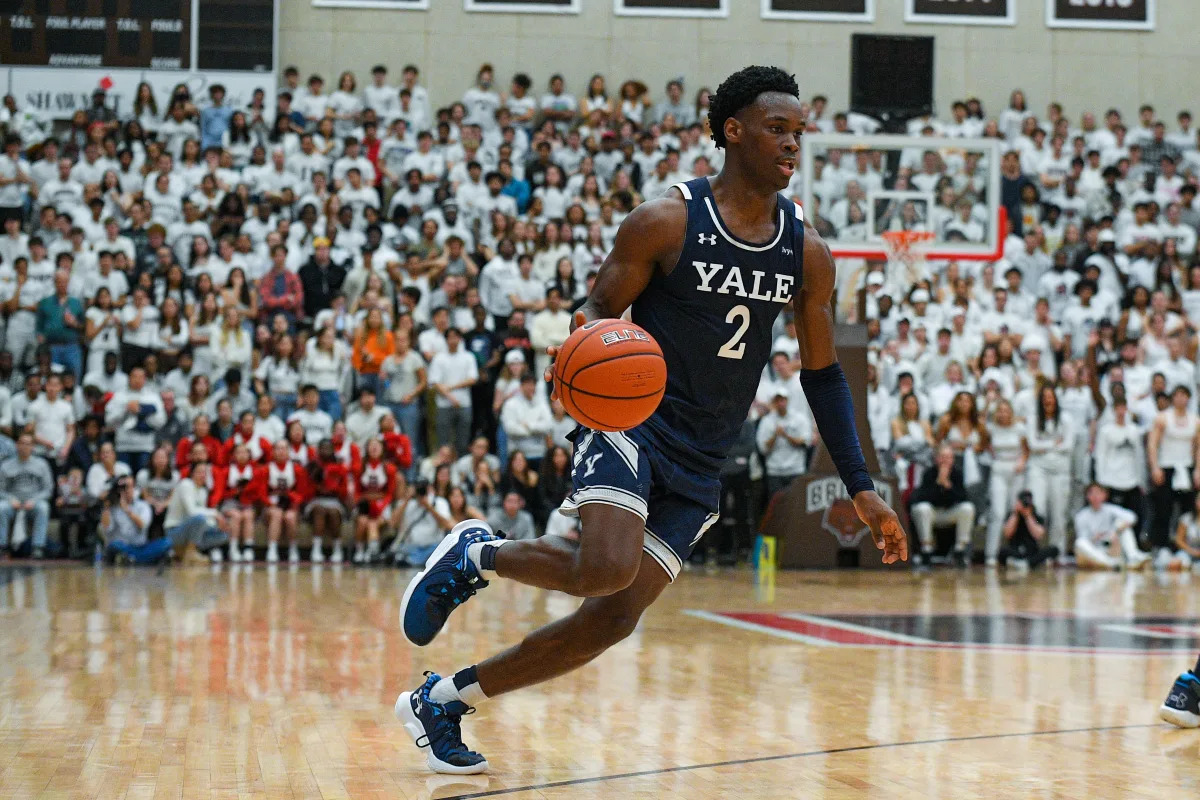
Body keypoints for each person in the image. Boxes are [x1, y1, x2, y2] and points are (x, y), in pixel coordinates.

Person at [394, 66, 904, 774]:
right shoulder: (668, 219)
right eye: (778, 129)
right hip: (631, 420)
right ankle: (476, 554)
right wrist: (581, 350)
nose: (794, 144)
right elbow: (598, 309)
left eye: (799, 133)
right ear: (733, 131)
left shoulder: (805, 251)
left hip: (705, 453)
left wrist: (860, 481)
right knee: (602, 567)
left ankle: (443, 701)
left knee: (611, 619)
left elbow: (822, 373)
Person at [909, 444, 975, 567]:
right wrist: (938, 484)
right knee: (922, 509)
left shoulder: (957, 473)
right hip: (932, 513)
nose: (945, 461)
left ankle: (960, 550)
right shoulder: (929, 473)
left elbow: (963, 498)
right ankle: (926, 550)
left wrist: (948, 487)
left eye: (949, 457)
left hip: (949, 513)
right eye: (943, 457)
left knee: (967, 508)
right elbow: (920, 498)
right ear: (936, 458)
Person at [163, 461, 229, 564]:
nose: (202, 475)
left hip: (192, 530)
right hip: (174, 531)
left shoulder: (203, 491)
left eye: (205, 473)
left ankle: (181, 553)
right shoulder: (185, 484)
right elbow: (192, 512)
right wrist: (215, 513)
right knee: (199, 519)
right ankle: (190, 553)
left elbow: (203, 517)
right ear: (192, 473)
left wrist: (217, 525)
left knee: (223, 535)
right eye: (199, 472)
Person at [0, 433, 54, 559]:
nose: (24, 447)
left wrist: (34, 500)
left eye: (28, 444)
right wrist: (10, 499)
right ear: (16, 445)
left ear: (33, 447)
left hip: (34, 502)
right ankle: (2, 546)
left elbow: (48, 490)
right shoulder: (5, 466)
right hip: (13, 502)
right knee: (1, 508)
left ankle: (37, 547)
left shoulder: (42, 464)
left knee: (43, 508)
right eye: (21, 443)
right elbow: (0, 490)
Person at [755, 386, 812, 498]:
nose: (781, 403)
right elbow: (763, 449)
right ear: (773, 402)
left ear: (787, 400)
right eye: (777, 400)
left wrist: (786, 435)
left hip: (796, 470)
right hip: (775, 471)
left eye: (783, 400)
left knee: (796, 505)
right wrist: (775, 435)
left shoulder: (799, 419)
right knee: (777, 507)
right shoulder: (767, 421)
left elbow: (806, 442)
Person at [100, 475, 168, 565]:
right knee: (114, 545)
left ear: (134, 488)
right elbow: (107, 529)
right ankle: (141, 560)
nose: (127, 490)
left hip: (141, 546)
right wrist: (106, 507)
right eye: (123, 487)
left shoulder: (143, 505)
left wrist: (127, 509)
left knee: (166, 542)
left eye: (129, 487)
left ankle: (133, 559)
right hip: (123, 546)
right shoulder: (112, 508)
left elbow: (143, 525)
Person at [306, 439, 351, 564]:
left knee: (333, 512)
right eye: (323, 448)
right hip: (315, 500)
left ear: (333, 451)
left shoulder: (340, 467)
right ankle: (316, 548)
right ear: (318, 450)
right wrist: (316, 483)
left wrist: (332, 488)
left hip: (334, 500)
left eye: (329, 448)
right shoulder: (312, 466)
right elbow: (306, 491)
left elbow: (344, 491)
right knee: (319, 510)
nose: (326, 451)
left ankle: (337, 549)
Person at [1002, 490, 1059, 571]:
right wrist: (1015, 514)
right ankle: (1027, 562)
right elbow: (1007, 534)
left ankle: (1024, 563)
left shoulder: (1036, 516)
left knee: (1054, 549)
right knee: (1002, 551)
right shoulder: (1012, 515)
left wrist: (1028, 516)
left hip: (1032, 551)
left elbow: (1039, 535)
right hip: (1016, 550)